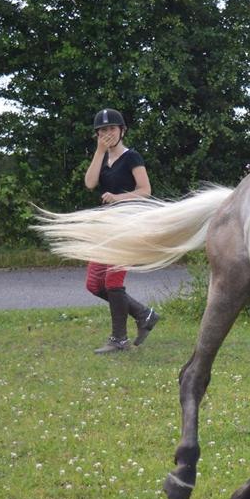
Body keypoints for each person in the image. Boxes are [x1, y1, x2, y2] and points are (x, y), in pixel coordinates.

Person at [83, 108, 161, 354]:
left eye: (112, 129)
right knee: (94, 284)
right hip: (107, 227)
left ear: (122, 131)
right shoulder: (103, 159)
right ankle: (143, 314)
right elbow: (90, 183)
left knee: (113, 281)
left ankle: (119, 339)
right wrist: (98, 151)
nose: (107, 134)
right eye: (102, 130)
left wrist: (118, 198)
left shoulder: (132, 157)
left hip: (128, 224)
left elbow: (145, 190)